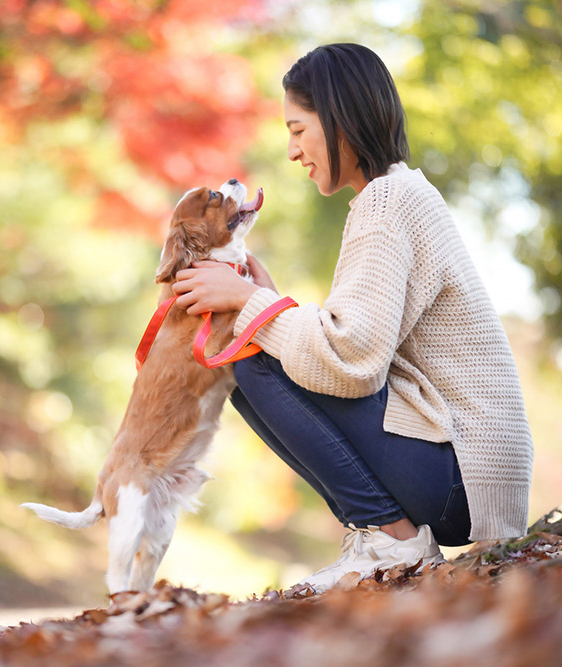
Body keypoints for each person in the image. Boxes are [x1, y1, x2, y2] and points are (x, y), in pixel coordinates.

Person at [172, 43, 533, 592]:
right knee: (248, 353)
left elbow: (351, 361)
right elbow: (357, 340)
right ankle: (380, 536)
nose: (292, 150)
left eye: (298, 129)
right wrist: (266, 302)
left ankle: (389, 540)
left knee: (246, 362)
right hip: (466, 472)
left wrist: (249, 305)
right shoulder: (397, 195)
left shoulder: (387, 203)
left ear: (338, 117)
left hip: (464, 474)